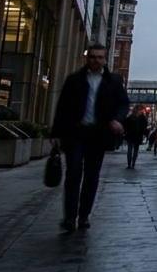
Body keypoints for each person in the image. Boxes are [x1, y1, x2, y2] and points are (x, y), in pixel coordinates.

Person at [50, 43, 129, 232]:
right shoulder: (74, 80)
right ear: (87, 58)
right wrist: (56, 133)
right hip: (76, 133)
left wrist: (117, 120)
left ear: (105, 59)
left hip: (98, 135)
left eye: (100, 57)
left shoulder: (114, 81)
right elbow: (62, 108)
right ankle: (70, 217)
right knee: (73, 174)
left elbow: (123, 104)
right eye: (93, 57)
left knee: (92, 177)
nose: (96, 61)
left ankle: (84, 215)